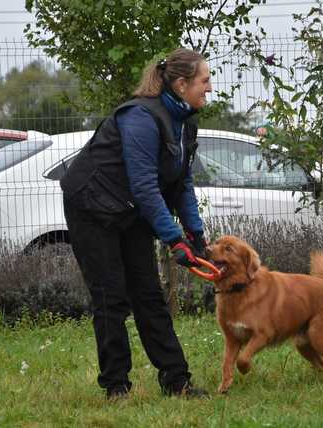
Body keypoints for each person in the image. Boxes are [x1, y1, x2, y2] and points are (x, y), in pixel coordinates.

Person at [60, 48, 212, 399]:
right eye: (204, 80)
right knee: (111, 296)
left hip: (129, 209)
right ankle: (116, 387)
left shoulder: (185, 121)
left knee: (148, 295)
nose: (209, 88)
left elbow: (181, 181)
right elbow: (144, 185)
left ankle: (177, 382)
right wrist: (174, 240)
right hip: (92, 207)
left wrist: (195, 234)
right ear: (180, 83)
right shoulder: (140, 117)